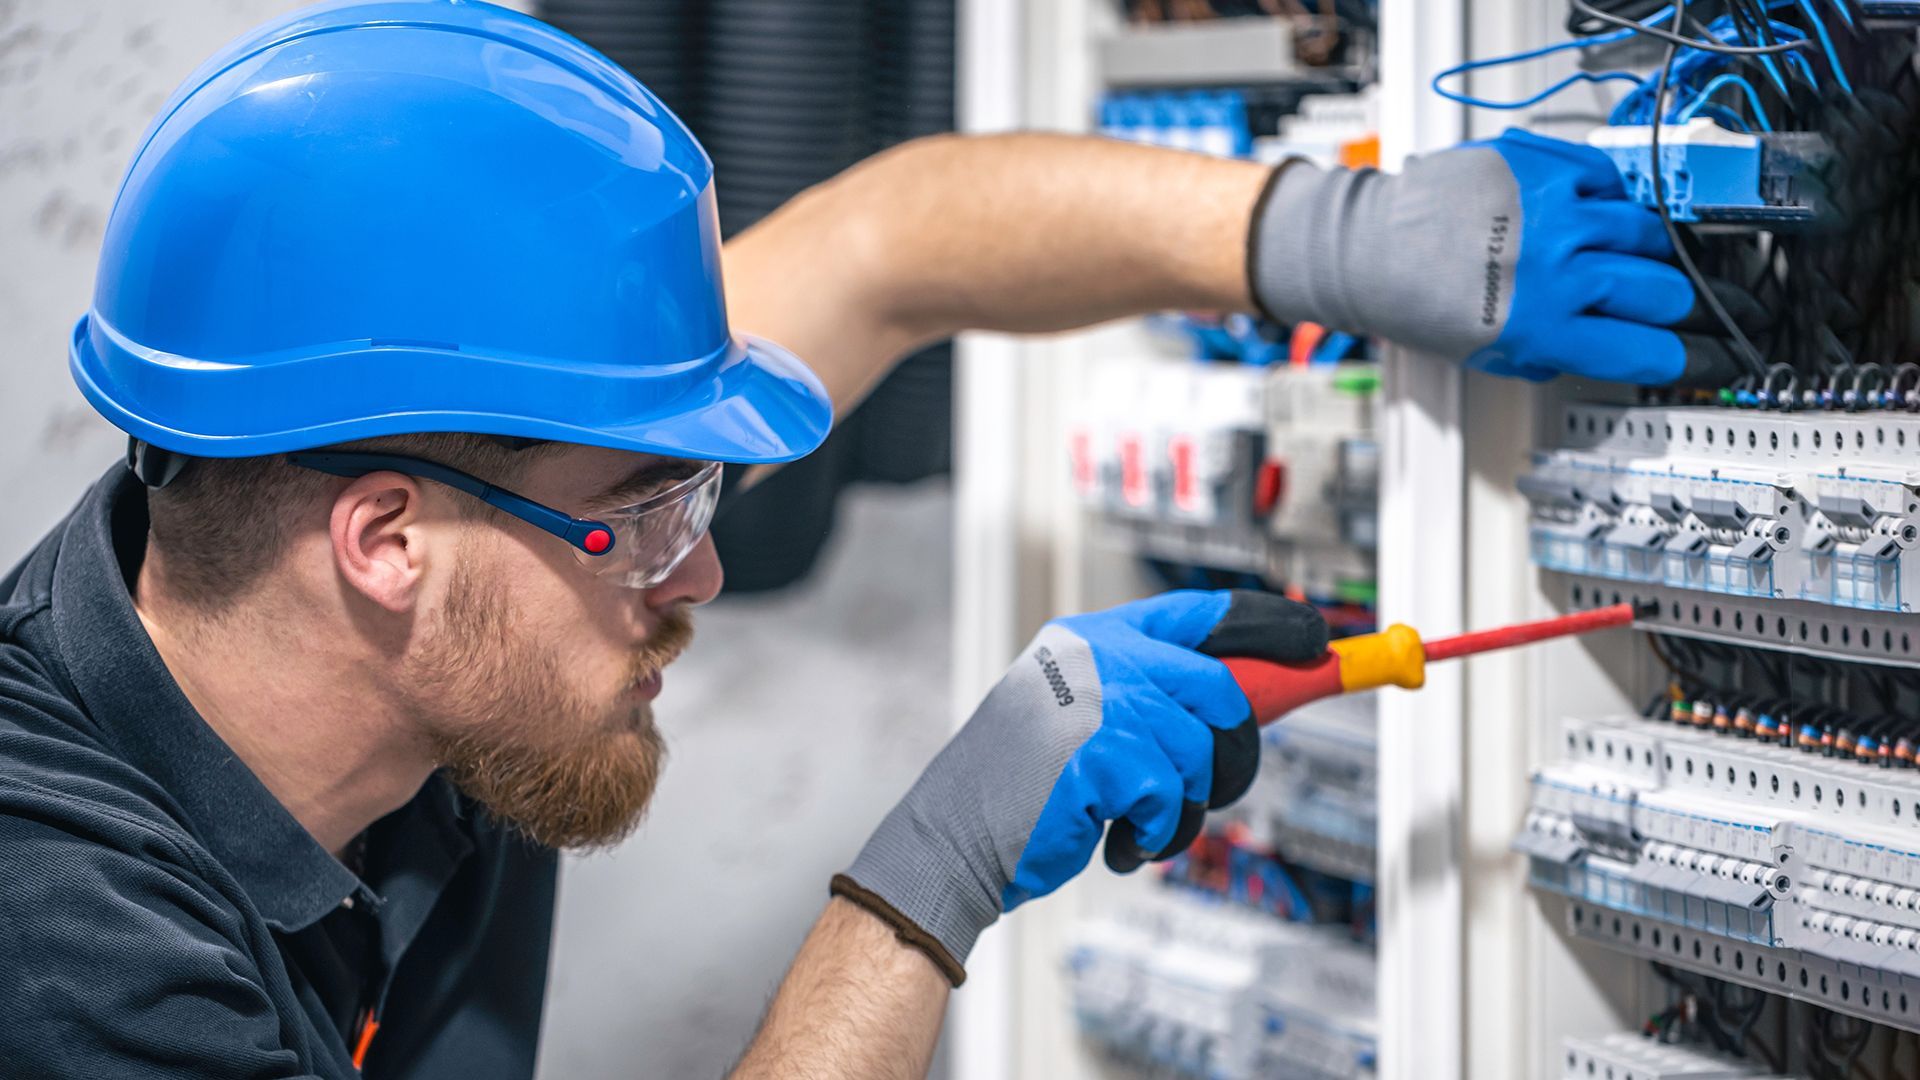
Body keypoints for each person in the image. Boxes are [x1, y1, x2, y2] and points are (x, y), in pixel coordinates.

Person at [0, 3, 1737, 1078]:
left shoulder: (477, 530)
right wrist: (926, 883)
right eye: (648, 520)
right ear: (384, 545)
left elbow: (892, 243)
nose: (703, 569)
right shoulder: (73, 967)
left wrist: (1323, 231)